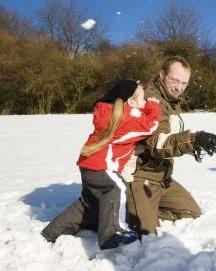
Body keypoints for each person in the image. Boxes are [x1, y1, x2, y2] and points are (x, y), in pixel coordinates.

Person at [41, 80, 160, 250]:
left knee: (88, 205)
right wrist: (153, 107)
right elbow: (151, 126)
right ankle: (112, 234)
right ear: (131, 102)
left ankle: (52, 232)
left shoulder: (109, 112)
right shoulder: (127, 119)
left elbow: (123, 139)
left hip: (89, 166)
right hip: (101, 168)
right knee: (117, 188)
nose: (145, 101)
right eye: (143, 99)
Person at [125, 56, 216, 235]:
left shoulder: (169, 100)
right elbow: (155, 144)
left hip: (161, 175)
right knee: (144, 233)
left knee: (190, 213)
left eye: (184, 83)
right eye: (174, 80)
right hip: (139, 175)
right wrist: (191, 140)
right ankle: (124, 207)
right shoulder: (150, 99)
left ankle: (145, 210)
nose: (179, 87)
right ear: (162, 74)